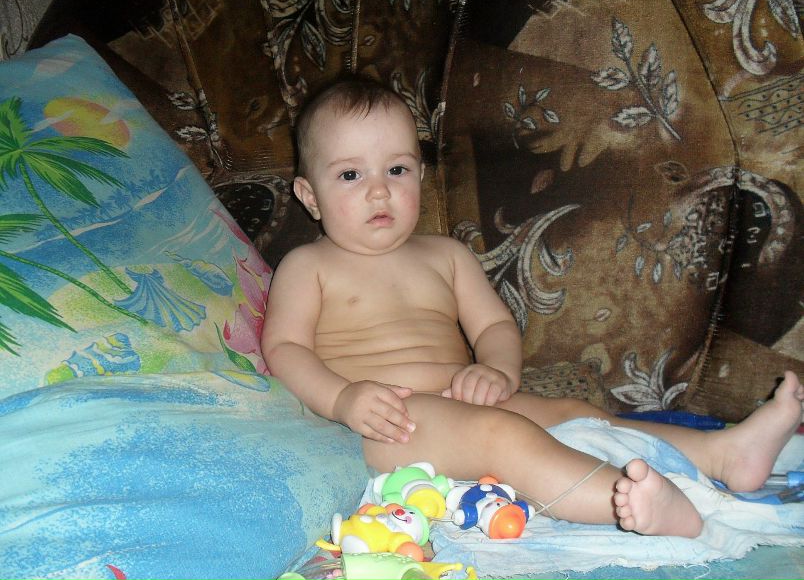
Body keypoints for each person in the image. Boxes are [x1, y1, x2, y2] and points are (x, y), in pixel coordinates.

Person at [260, 78, 804, 538]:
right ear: (309, 196)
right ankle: (624, 503)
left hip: (464, 400)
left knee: (579, 415)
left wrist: (498, 370)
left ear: (420, 175)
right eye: (350, 175)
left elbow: (495, 324)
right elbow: (284, 348)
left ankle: (721, 454)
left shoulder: (446, 256)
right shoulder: (308, 266)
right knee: (504, 438)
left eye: (397, 170)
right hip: (387, 425)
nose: (379, 191)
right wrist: (343, 398)